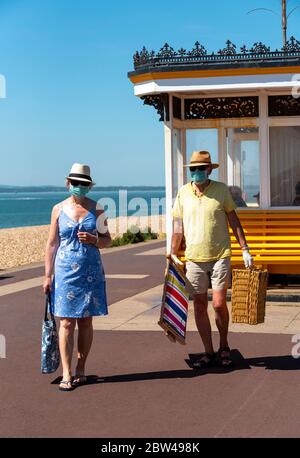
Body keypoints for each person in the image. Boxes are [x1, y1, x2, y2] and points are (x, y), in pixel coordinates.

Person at [170, 151, 253, 368]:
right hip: (194, 258)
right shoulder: (183, 193)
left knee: (217, 304)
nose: (196, 172)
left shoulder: (221, 190)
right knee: (198, 305)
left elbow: (233, 219)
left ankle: (224, 345)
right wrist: (172, 252)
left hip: (220, 254)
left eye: (200, 168)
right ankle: (208, 350)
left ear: (209, 169)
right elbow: (178, 226)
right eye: (193, 169)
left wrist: (245, 249)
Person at [43, 163, 111, 391]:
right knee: (65, 321)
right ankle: (66, 371)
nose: (79, 187)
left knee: (86, 320)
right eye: (75, 183)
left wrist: (93, 240)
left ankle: (81, 368)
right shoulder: (58, 209)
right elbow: (52, 244)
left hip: (90, 271)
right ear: (68, 183)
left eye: (84, 184)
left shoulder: (97, 209)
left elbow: (108, 240)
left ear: (89, 186)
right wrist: (47, 275)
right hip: (64, 273)